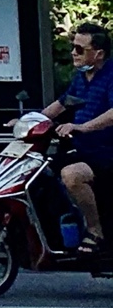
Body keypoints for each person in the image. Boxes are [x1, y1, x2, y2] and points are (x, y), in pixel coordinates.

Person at [40, 23, 113, 252]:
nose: (73, 52)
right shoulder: (81, 79)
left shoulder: (111, 76)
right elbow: (60, 105)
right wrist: (28, 122)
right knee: (38, 170)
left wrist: (82, 127)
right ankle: (62, 228)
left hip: (105, 151)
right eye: (73, 47)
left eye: (79, 49)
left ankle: (95, 231)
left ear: (98, 53)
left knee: (72, 175)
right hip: (82, 149)